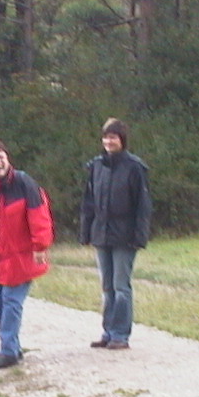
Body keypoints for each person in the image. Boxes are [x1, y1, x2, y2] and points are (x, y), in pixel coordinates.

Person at [0, 140, 54, 370]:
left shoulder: (24, 183)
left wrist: (40, 246)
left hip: (24, 256)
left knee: (11, 301)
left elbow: (40, 215)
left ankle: (7, 352)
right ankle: (13, 347)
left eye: (1, 157)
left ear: (8, 160)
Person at [78, 117, 152, 350]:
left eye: (113, 137)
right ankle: (108, 332)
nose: (109, 141)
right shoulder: (96, 166)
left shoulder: (134, 167)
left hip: (125, 236)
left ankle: (121, 334)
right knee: (107, 287)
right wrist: (86, 231)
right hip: (101, 234)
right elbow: (88, 202)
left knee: (121, 287)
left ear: (122, 140)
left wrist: (139, 236)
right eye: (106, 137)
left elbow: (143, 205)